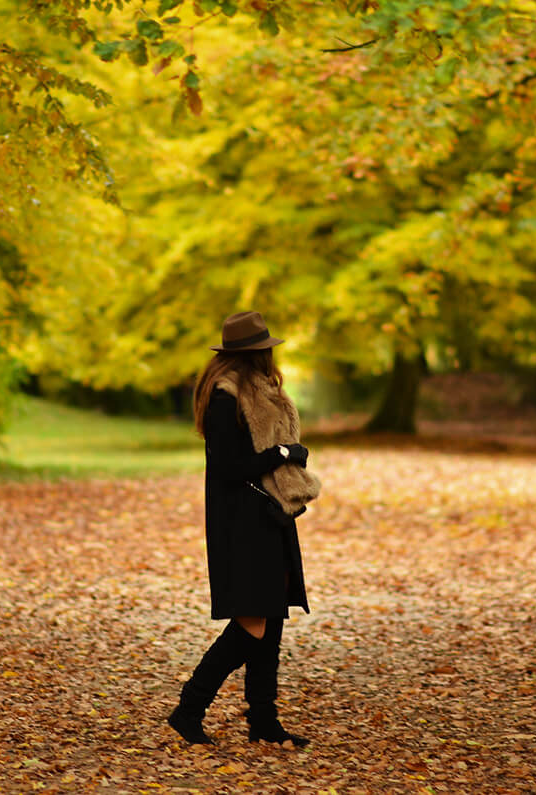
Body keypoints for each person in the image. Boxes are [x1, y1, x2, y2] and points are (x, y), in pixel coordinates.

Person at [167, 311, 321, 747]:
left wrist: (283, 455)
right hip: (242, 522)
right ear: (253, 354)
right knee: (252, 622)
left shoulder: (258, 390)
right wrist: (284, 452)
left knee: (271, 619)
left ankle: (264, 722)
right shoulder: (226, 397)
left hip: (266, 515)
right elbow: (230, 470)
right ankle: (189, 709)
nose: (270, 357)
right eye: (264, 350)